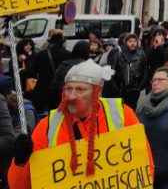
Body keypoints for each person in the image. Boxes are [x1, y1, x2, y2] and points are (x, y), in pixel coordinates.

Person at [8, 60, 153, 189]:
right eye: (68, 89)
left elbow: (145, 168)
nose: (71, 96)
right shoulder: (47, 126)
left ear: (98, 91)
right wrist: (20, 162)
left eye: (80, 89)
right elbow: (20, 186)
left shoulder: (122, 115)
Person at [24, 31, 71, 113]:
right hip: (61, 89)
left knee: (42, 115)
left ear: (50, 42)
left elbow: (32, 72)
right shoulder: (68, 55)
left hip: (43, 89)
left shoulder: (41, 54)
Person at [114, 33, 148, 109]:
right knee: (121, 110)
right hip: (122, 89)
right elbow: (114, 72)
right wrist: (117, 87)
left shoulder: (141, 55)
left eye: (134, 41)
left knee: (131, 110)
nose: (132, 43)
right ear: (126, 43)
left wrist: (139, 87)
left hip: (135, 90)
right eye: (130, 41)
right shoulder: (119, 55)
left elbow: (145, 72)